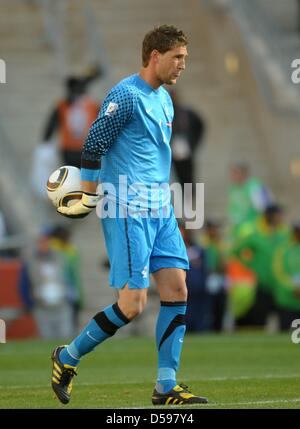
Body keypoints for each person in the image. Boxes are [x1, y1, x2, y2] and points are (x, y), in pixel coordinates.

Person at [50, 25, 208, 406]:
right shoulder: (125, 94)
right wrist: (88, 194)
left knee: (176, 290)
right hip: (126, 208)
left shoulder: (164, 100)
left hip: (161, 208)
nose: (183, 65)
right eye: (178, 57)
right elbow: (94, 141)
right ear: (155, 56)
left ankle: (166, 387)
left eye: (185, 57)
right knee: (132, 305)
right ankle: (67, 357)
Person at [42, 67, 101, 168]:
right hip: (72, 148)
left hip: (81, 148)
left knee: (77, 177)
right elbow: (52, 124)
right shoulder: (64, 105)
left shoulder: (90, 105)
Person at [169, 90, 205, 199]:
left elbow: (200, 125)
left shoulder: (186, 113)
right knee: (177, 178)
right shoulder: (165, 114)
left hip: (186, 151)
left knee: (189, 177)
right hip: (173, 152)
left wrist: (193, 143)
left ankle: (191, 199)